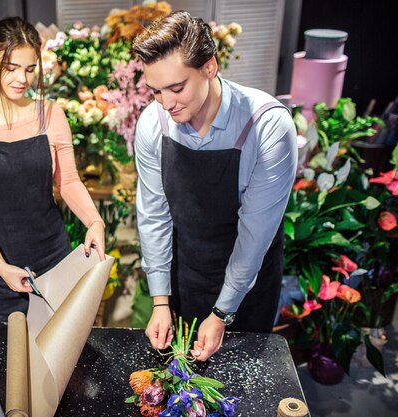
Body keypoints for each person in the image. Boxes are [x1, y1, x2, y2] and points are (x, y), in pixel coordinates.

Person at [132, 11, 297, 361]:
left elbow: (255, 232)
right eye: (156, 90)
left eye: (177, 88)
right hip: (187, 273)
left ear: (210, 67)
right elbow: (154, 216)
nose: (167, 103)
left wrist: (223, 312)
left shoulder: (266, 126)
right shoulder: (152, 123)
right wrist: (160, 300)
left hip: (249, 282)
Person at [0, 17, 106, 322]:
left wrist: (95, 221)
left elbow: (69, 182)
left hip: (55, 264)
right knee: (7, 366)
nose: (23, 78)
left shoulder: (51, 115)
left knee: (65, 362)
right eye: (12, 67)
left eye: (30, 69)